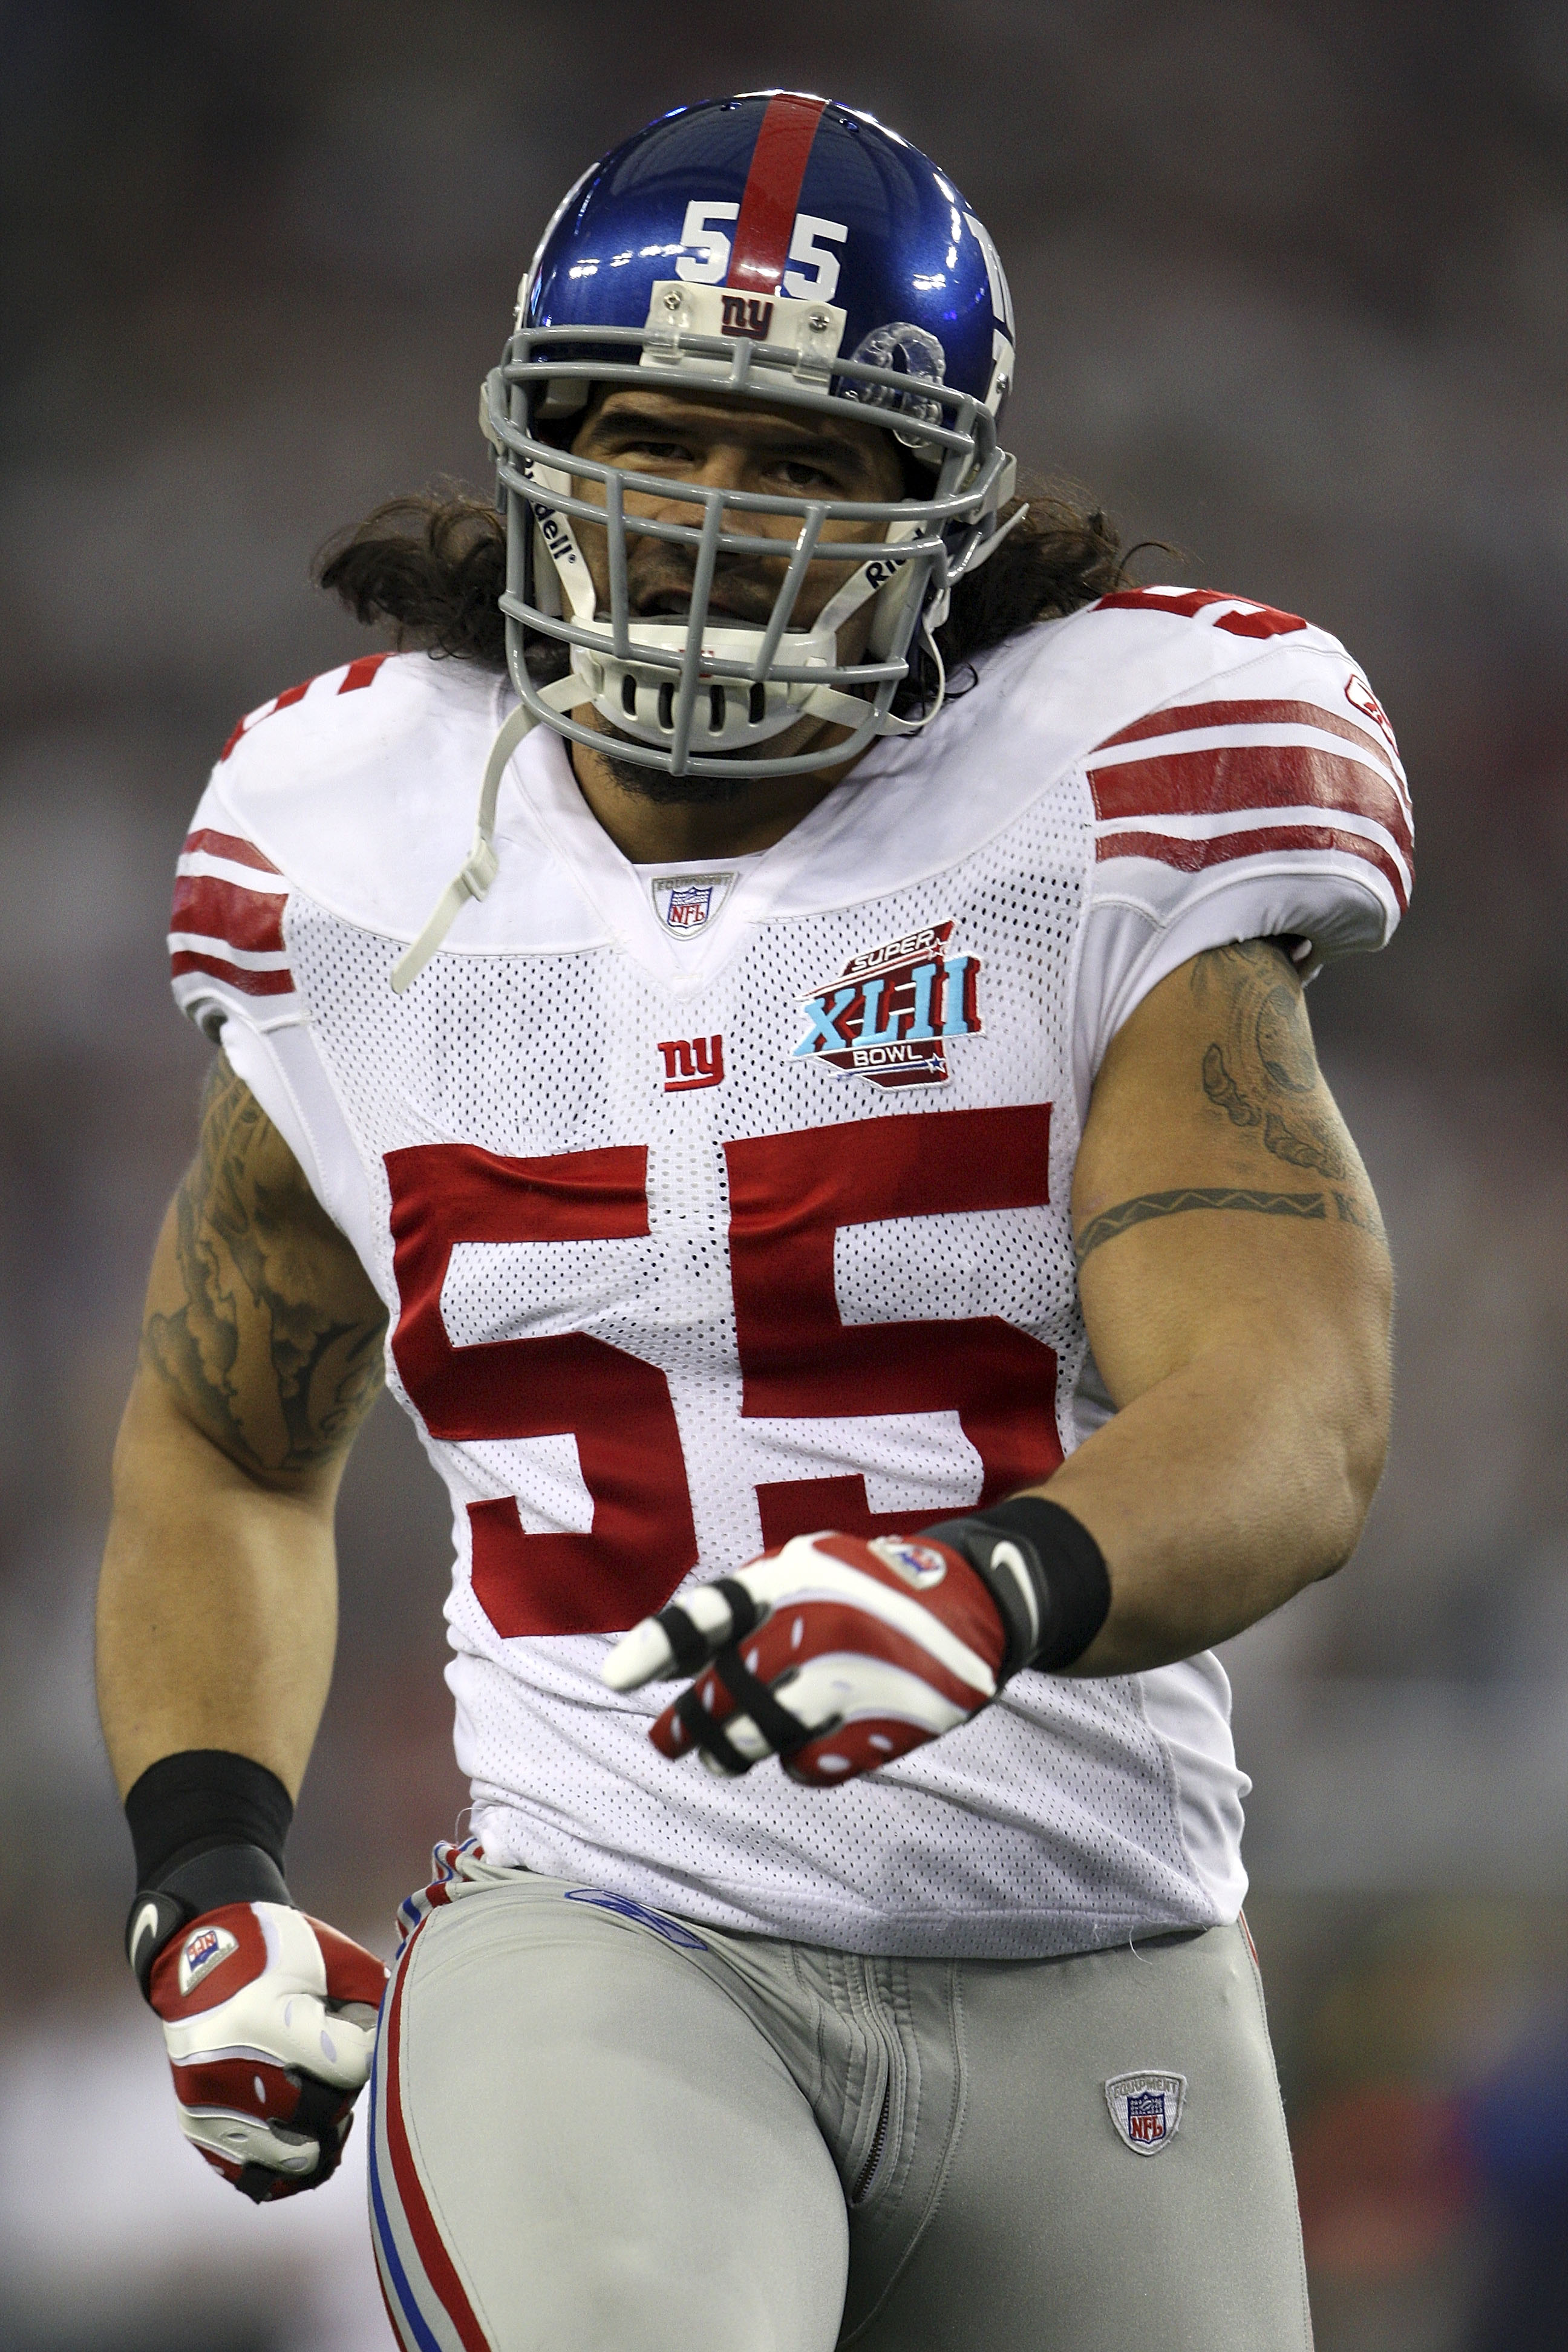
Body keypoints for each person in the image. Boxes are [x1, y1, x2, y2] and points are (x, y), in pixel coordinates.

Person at [97, 90, 1408, 2352]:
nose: (711, 522)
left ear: (937, 519)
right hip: (610, 1926)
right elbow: (228, 1439)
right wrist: (205, 1870)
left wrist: (993, 1584)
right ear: (544, 455)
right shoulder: (355, 837)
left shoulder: (1106, 794)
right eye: (656, 442)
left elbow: (1294, 1403)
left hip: (1100, 1954)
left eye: (799, 464)